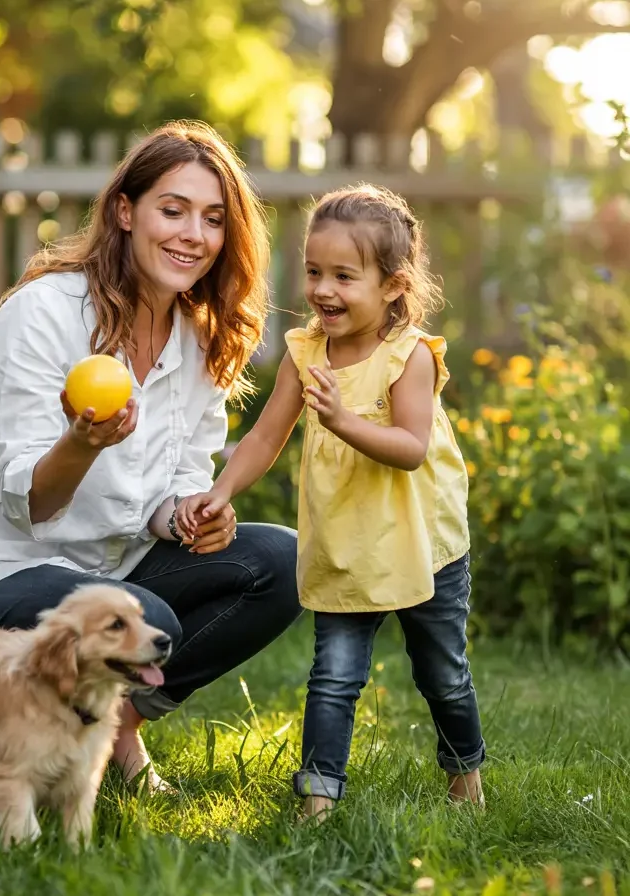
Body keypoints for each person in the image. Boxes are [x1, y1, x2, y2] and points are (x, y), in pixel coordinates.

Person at [0, 120, 302, 791]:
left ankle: (114, 723)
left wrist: (189, 516)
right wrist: (82, 443)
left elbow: (173, 487)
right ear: (125, 211)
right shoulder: (44, 312)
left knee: (286, 563)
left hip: (112, 575)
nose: (193, 235)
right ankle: (56, 734)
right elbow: (30, 501)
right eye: (172, 210)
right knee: (148, 620)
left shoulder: (197, 339)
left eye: (212, 219)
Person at [176, 183, 486, 817]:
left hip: (422, 547)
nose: (323, 290)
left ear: (394, 285)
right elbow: (266, 435)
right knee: (334, 677)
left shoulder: (410, 357)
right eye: (315, 272)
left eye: (345, 276)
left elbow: (409, 447)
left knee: (442, 675)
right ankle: (318, 801)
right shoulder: (305, 350)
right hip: (346, 545)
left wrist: (344, 421)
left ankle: (465, 778)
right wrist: (220, 491)